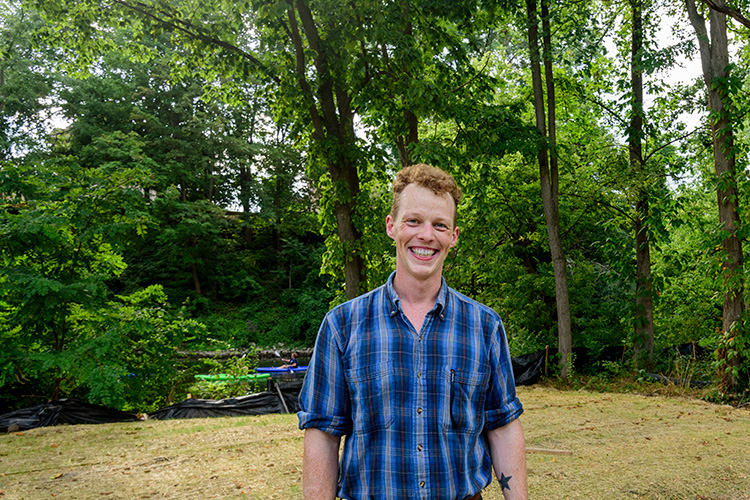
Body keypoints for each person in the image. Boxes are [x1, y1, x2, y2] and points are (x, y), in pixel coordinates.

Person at [298, 164, 528, 500]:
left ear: (453, 236)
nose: (426, 235)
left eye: (439, 225)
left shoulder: (485, 327)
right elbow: (323, 435)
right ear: (392, 227)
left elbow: (503, 427)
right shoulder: (341, 326)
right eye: (413, 221)